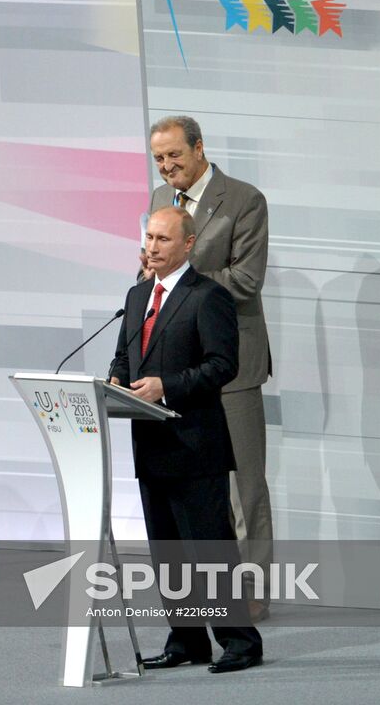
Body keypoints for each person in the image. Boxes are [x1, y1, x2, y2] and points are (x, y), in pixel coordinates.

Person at [111, 207, 263, 673]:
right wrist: (116, 380)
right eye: (149, 238)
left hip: (196, 445)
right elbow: (123, 356)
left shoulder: (207, 296)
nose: (152, 247)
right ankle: (188, 640)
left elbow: (223, 365)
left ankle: (240, 641)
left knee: (209, 550)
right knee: (169, 553)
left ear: (188, 245)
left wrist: (167, 385)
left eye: (162, 239)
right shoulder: (137, 296)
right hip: (152, 445)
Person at [141, 116, 273, 619]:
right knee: (189, 482)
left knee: (246, 485)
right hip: (174, 369)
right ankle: (199, 592)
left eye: (174, 155)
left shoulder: (244, 199)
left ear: (199, 149)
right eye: (159, 158)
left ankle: (254, 590)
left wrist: (182, 277)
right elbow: (151, 273)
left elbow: (246, 280)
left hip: (234, 362)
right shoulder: (158, 198)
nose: (167, 166)